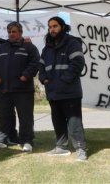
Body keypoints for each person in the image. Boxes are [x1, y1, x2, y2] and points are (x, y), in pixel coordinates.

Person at [38, 16, 87, 161]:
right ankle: (61, 147)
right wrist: (43, 78)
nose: (52, 29)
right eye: (50, 27)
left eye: (55, 26)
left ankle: (81, 149)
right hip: (52, 92)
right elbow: (41, 66)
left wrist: (62, 81)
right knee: (57, 121)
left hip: (69, 91)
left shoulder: (72, 43)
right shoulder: (47, 48)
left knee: (74, 123)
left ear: (62, 27)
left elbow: (78, 63)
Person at [0, 21, 40, 152]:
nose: (11, 34)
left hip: (23, 90)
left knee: (25, 117)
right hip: (4, 89)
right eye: (9, 32)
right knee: (3, 116)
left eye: (14, 32)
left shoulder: (29, 47)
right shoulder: (1, 48)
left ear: (20, 33)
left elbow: (35, 63)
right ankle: (1, 140)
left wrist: (26, 75)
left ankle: (27, 141)